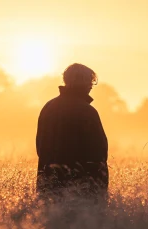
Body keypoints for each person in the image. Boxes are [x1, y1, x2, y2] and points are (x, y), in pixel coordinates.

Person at [36, 63, 108, 201]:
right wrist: (100, 191)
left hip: (48, 185)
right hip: (81, 189)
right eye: (90, 82)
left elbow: (40, 147)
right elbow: (98, 153)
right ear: (84, 83)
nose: (91, 86)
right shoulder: (87, 111)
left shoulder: (49, 107)